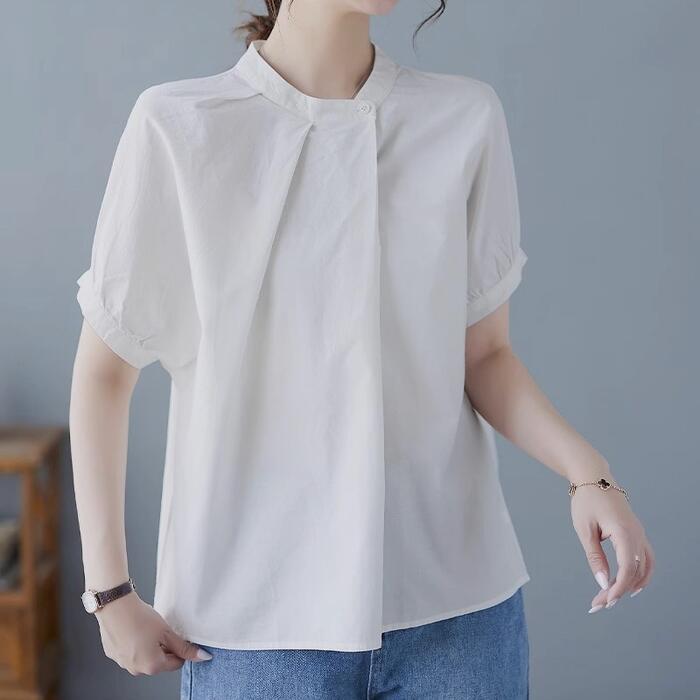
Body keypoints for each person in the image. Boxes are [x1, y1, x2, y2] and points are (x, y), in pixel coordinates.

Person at [69, 1, 655, 698]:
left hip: (458, 615)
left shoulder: (462, 118)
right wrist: (110, 593)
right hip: (254, 625)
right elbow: (105, 371)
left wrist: (588, 474)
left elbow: (484, 357)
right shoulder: (179, 125)